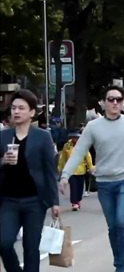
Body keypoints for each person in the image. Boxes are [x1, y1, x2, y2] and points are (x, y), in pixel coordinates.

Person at [60, 86, 124, 272]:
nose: (114, 103)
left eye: (118, 99)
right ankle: (119, 261)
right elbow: (79, 151)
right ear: (103, 102)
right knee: (113, 226)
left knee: (122, 221)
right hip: (104, 182)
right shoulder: (93, 126)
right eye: (110, 99)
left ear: (123, 102)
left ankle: (123, 267)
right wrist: (65, 175)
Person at [0, 90, 61, 272]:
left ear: (32, 112)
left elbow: (50, 171)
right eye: (13, 108)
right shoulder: (3, 136)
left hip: (35, 201)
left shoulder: (42, 137)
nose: (16, 112)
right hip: (8, 200)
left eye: (21, 108)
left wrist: (54, 202)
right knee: (4, 242)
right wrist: (3, 160)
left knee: (31, 247)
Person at [57, 130, 94, 211]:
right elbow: (63, 158)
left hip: (81, 170)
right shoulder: (67, 146)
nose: (75, 139)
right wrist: (59, 168)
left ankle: (78, 200)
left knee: (80, 188)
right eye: (73, 137)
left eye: (76, 138)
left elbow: (88, 156)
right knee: (73, 187)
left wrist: (91, 167)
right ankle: (74, 203)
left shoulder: (82, 145)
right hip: (71, 171)